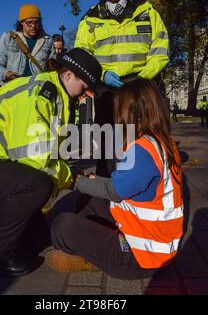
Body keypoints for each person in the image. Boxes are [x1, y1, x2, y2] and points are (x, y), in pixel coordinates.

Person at [0, 48, 102, 276]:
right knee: (38, 185)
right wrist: (72, 178)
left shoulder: (59, 96)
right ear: (67, 75)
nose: (87, 94)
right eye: (85, 87)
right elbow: (35, 159)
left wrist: (69, 173)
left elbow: (52, 151)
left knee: (36, 238)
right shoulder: (42, 94)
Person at [47, 78, 184, 279]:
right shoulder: (160, 141)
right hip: (153, 240)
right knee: (94, 199)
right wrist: (93, 181)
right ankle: (92, 246)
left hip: (142, 256)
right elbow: (121, 186)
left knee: (62, 226)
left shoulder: (142, 151)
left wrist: (74, 180)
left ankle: (92, 256)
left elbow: (113, 191)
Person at [75, 0, 170, 177]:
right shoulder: (91, 17)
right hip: (106, 86)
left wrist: (143, 77)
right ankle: (106, 187)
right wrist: (102, 74)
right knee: (108, 140)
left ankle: (145, 182)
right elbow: (83, 53)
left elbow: (161, 48)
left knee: (144, 136)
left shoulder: (147, 10)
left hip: (140, 84)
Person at [0, 4, 56, 86]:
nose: (33, 26)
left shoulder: (48, 40)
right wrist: (7, 74)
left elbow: (52, 70)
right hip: (12, 89)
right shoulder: (8, 37)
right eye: (29, 22)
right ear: (22, 22)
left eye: (36, 22)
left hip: (36, 90)